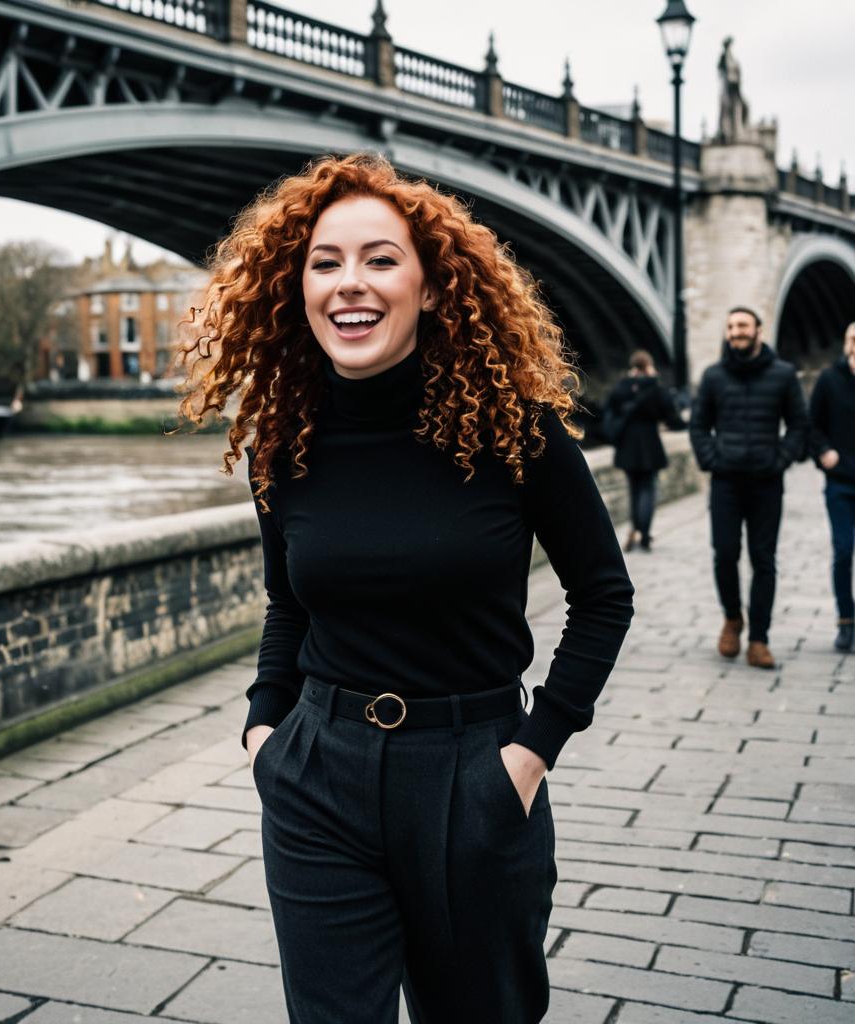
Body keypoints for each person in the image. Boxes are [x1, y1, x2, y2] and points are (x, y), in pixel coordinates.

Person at [177, 153, 634, 1024]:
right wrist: (264, 733)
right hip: (318, 774)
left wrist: (530, 755)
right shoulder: (283, 443)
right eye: (325, 262)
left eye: (380, 259)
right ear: (295, 289)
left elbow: (604, 595)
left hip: (475, 773)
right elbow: (289, 605)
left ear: (431, 288)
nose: (351, 283)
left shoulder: (514, 430)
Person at [689, 306, 808, 669]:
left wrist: (780, 459)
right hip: (726, 482)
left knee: (763, 560)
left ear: (758, 330)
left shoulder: (784, 375)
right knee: (724, 553)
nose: (735, 332)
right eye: (730, 327)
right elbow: (698, 427)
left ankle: (759, 638)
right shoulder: (713, 376)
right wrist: (712, 459)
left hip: (766, 484)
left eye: (742, 325)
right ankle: (732, 618)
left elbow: (800, 427)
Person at [603, 349, 686, 552]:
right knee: (648, 489)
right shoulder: (655, 387)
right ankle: (644, 533)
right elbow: (671, 416)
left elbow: (607, 411)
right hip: (649, 443)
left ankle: (635, 529)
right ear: (648, 366)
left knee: (634, 489)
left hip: (627, 445)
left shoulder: (620, 388)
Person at [808, 322, 855, 651]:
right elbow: (811, 424)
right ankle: (846, 621)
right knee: (843, 550)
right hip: (840, 482)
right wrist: (824, 452)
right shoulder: (829, 379)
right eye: (853, 338)